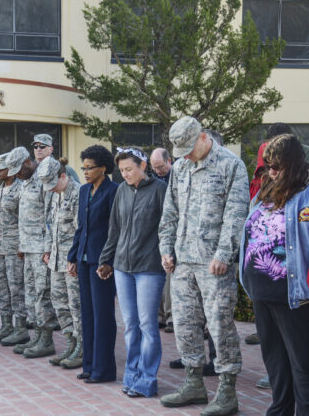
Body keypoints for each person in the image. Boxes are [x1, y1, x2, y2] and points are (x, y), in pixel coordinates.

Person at [158, 116, 249, 415]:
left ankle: (227, 391)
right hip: (183, 261)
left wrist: (224, 254)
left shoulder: (231, 165)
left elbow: (236, 214)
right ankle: (194, 383)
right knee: (184, 325)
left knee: (220, 324)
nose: (184, 154)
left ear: (203, 137)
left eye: (188, 147)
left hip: (214, 264)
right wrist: (166, 249)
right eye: (179, 149)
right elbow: (170, 211)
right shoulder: (181, 167)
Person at [239, 134, 309, 416]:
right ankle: (280, 410)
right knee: (274, 359)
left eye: (277, 166)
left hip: (292, 294)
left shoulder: (304, 195)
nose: (271, 171)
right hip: (260, 289)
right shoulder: (265, 191)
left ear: (292, 164)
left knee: (301, 361)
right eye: (268, 166)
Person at [97, 147, 167, 397]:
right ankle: (131, 375)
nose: (125, 174)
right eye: (122, 170)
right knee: (130, 325)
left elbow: (168, 228)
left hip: (149, 267)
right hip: (122, 268)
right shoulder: (122, 191)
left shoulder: (160, 190)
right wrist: (106, 260)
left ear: (143, 166)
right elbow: (114, 229)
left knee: (148, 325)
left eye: (129, 169)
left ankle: (147, 379)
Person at [67, 145, 119, 384]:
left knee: (103, 316)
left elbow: (115, 230)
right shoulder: (84, 190)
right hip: (85, 260)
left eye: (90, 168)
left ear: (104, 168)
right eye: (83, 168)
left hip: (102, 264)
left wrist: (108, 260)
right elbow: (81, 227)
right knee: (87, 314)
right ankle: (89, 365)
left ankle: (104, 370)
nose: (85, 172)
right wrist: (73, 257)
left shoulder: (113, 191)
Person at [5, 145, 58, 358]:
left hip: (41, 249)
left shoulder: (43, 180)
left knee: (43, 294)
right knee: (31, 295)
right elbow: (23, 216)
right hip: (27, 248)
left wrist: (47, 247)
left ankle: (46, 339)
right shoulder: (25, 182)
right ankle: (36, 335)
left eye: (19, 169)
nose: (17, 175)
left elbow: (50, 215)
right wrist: (21, 244)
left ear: (28, 162)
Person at [38, 157, 82, 369]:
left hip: (71, 263)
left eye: (53, 184)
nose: (51, 189)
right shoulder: (55, 195)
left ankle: (81, 348)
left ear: (63, 176)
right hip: (55, 260)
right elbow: (49, 224)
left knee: (76, 306)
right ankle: (70, 344)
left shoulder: (78, 194)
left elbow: (81, 231)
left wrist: (74, 258)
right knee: (60, 304)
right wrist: (48, 249)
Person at [0, 153, 28, 345]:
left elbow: (25, 220)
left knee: (16, 287)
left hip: (14, 248)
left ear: (11, 170)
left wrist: (23, 245)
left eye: (1, 169)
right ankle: (6, 325)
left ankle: (20, 328)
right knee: (0, 288)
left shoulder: (21, 189)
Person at [150, 147, 174, 333]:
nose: (158, 171)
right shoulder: (152, 180)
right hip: (154, 235)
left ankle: (171, 316)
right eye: (154, 167)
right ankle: (158, 316)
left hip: (170, 234)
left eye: (160, 167)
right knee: (155, 276)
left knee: (169, 278)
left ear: (169, 161)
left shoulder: (177, 178)